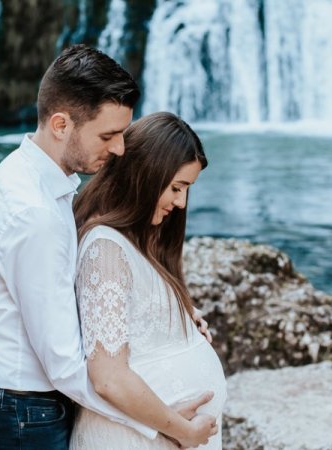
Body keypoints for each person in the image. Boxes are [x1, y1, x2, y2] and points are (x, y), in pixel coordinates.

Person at [0, 45, 217, 450]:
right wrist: (167, 425)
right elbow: (70, 367)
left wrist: (166, 320)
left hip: (13, 408)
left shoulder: (40, 182)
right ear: (60, 125)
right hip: (15, 415)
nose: (121, 149)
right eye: (108, 135)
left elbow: (72, 296)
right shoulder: (33, 214)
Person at [70, 112, 227, 449]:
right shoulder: (105, 248)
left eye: (187, 189)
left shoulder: (132, 241)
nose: (182, 202)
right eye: (176, 188)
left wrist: (178, 315)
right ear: (145, 175)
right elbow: (108, 378)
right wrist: (183, 432)